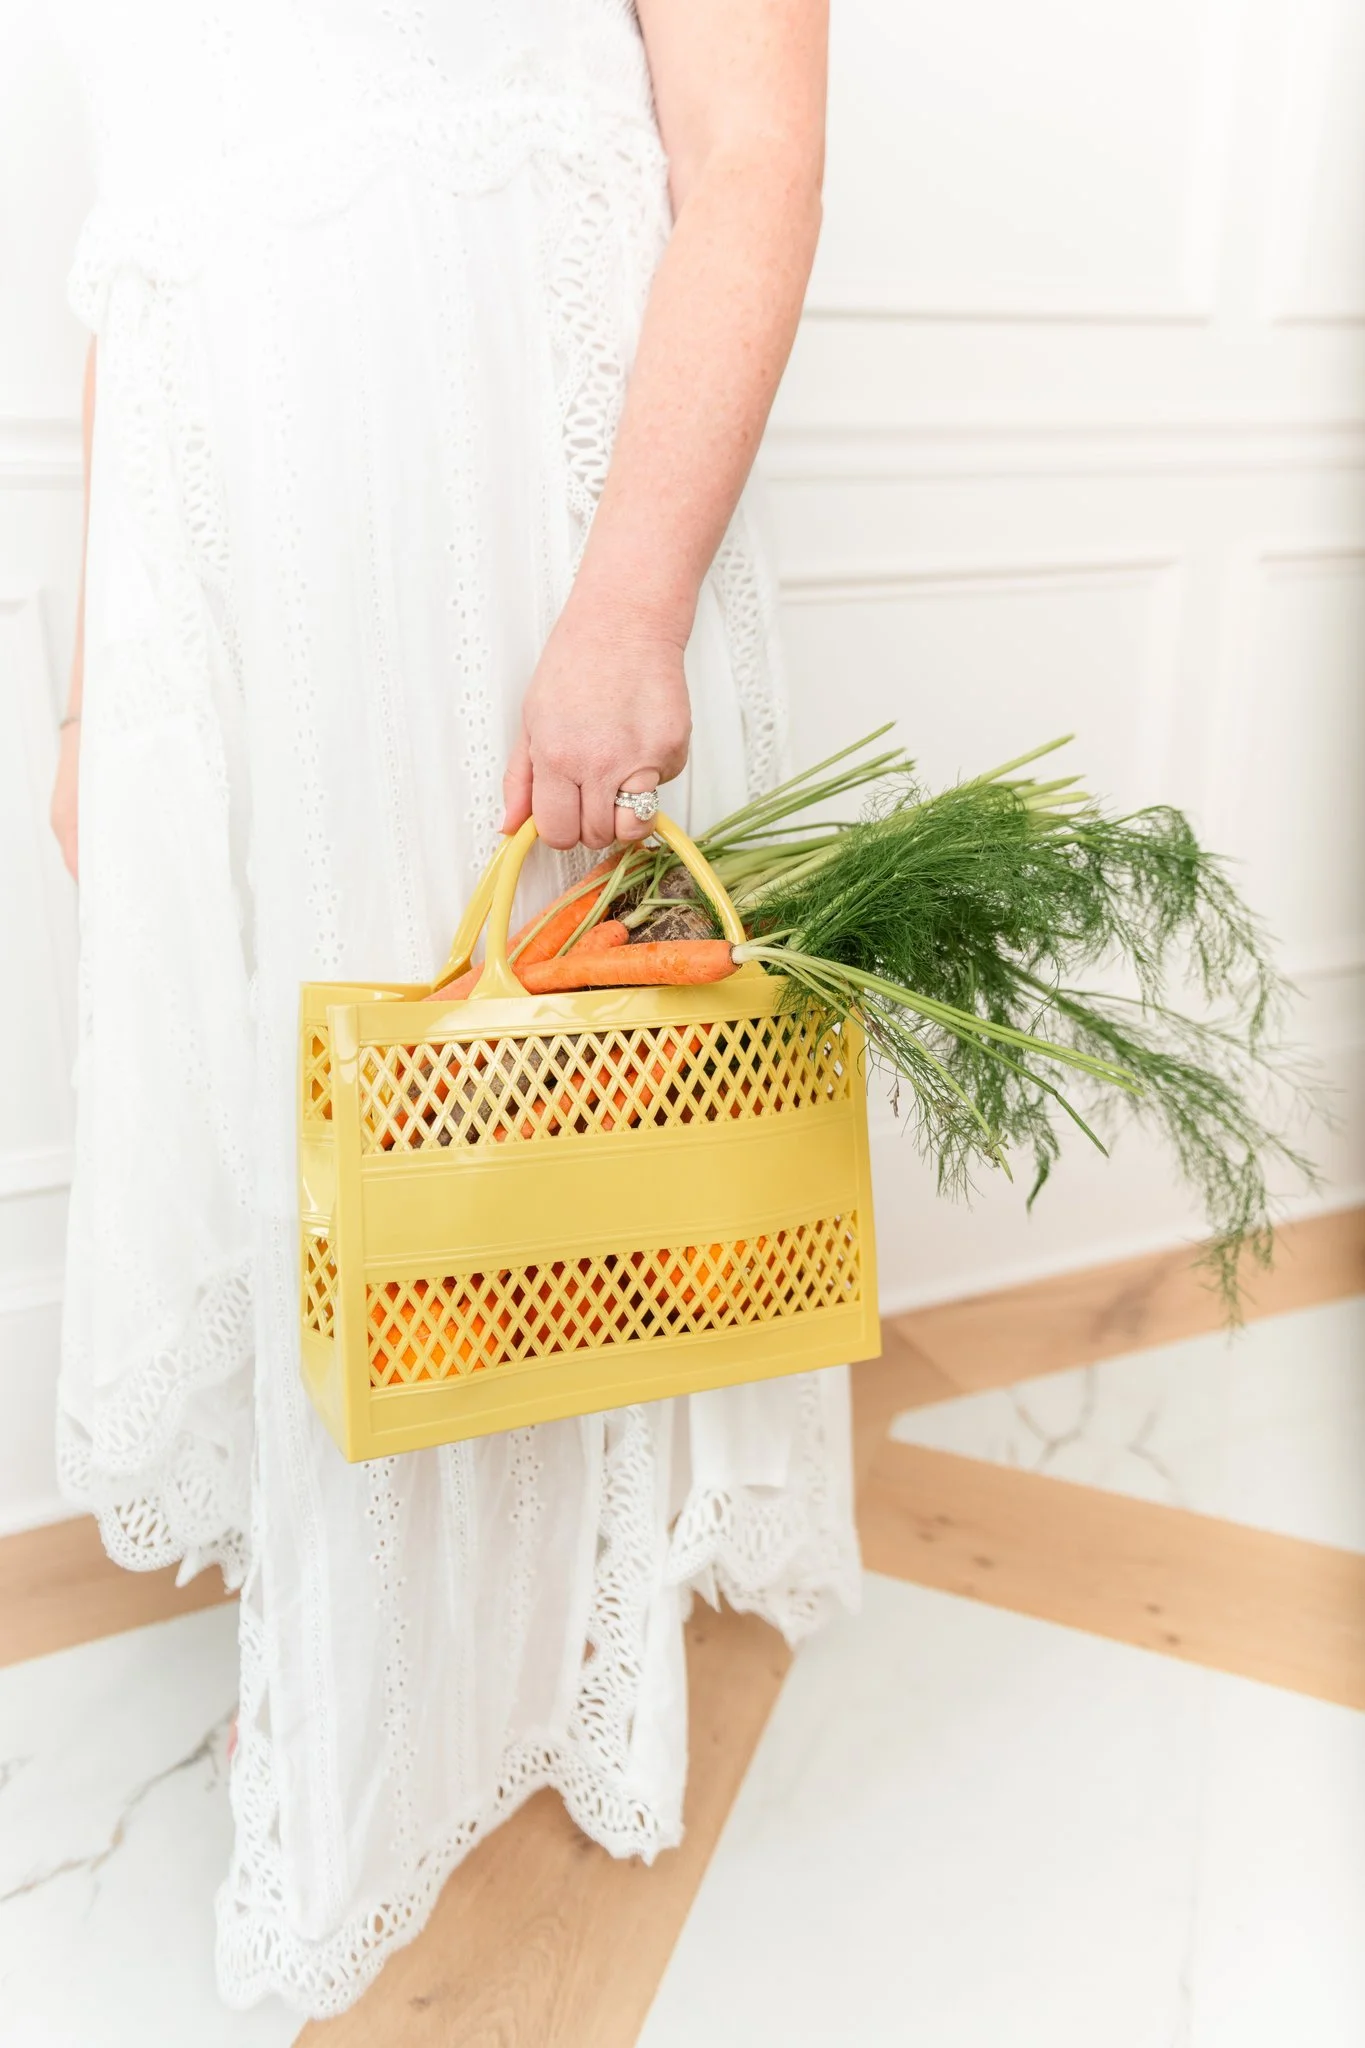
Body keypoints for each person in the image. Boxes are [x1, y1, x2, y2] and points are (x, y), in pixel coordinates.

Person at [50, 0, 857, 2017]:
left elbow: (749, 145)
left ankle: (494, 1658)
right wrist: (92, 678)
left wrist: (629, 599)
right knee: (311, 1117)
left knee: (506, 1108)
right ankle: (365, 1652)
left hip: (486, 482)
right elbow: (127, 240)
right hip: (239, 525)